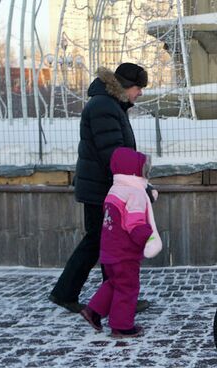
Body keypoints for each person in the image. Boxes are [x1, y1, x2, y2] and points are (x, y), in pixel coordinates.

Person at [49, 62, 152, 313]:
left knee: (106, 241)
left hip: (104, 185)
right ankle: (65, 293)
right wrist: (134, 185)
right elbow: (113, 154)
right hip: (101, 188)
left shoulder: (109, 104)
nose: (140, 93)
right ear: (127, 86)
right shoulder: (104, 107)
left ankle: (114, 296)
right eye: (139, 88)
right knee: (98, 240)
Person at [80, 147, 162, 338]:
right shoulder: (135, 193)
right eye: (143, 169)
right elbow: (134, 223)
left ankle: (93, 310)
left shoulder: (115, 189)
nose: (146, 173)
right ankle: (121, 326)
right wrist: (147, 238)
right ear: (133, 172)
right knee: (128, 287)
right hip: (125, 252)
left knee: (114, 283)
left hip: (109, 250)